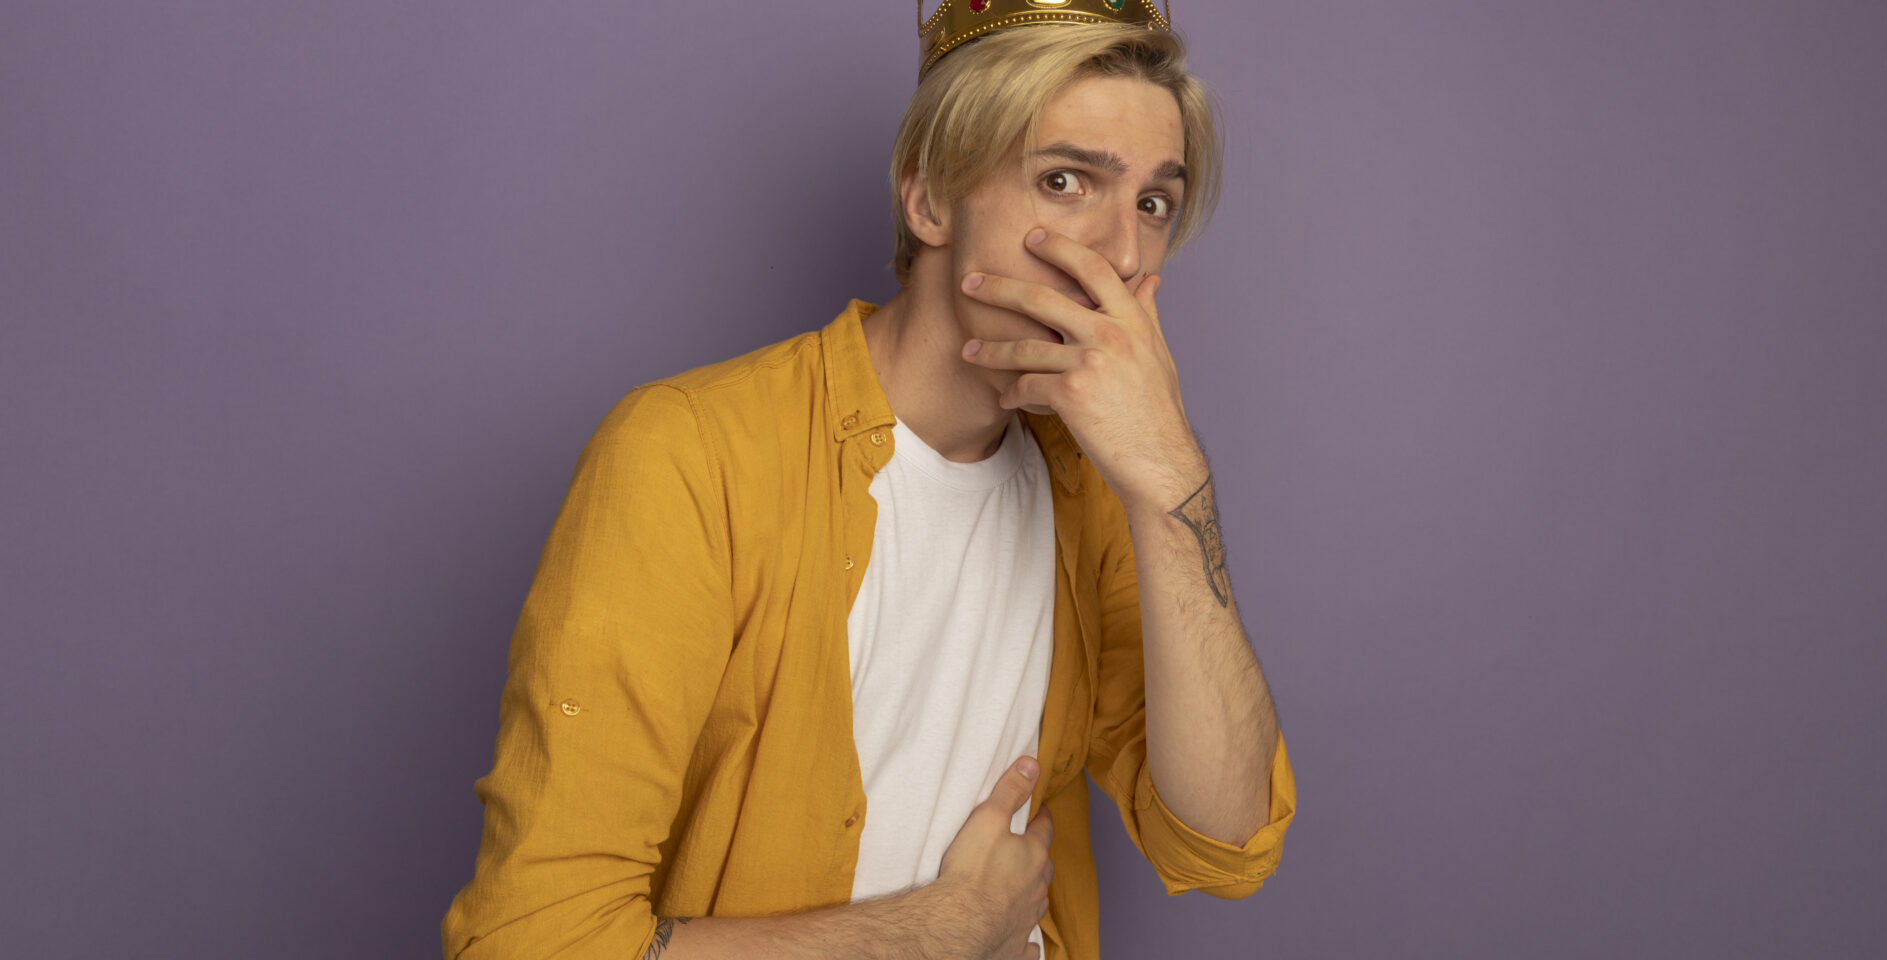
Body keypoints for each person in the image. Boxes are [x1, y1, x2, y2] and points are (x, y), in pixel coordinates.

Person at [441, 3, 1295, 958]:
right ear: (929, 199)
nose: (1126, 254)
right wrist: (948, 928)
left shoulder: (1096, 492)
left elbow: (1225, 840)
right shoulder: (687, 456)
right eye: (1065, 181)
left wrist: (1169, 478)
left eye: (1153, 203)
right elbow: (532, 943)